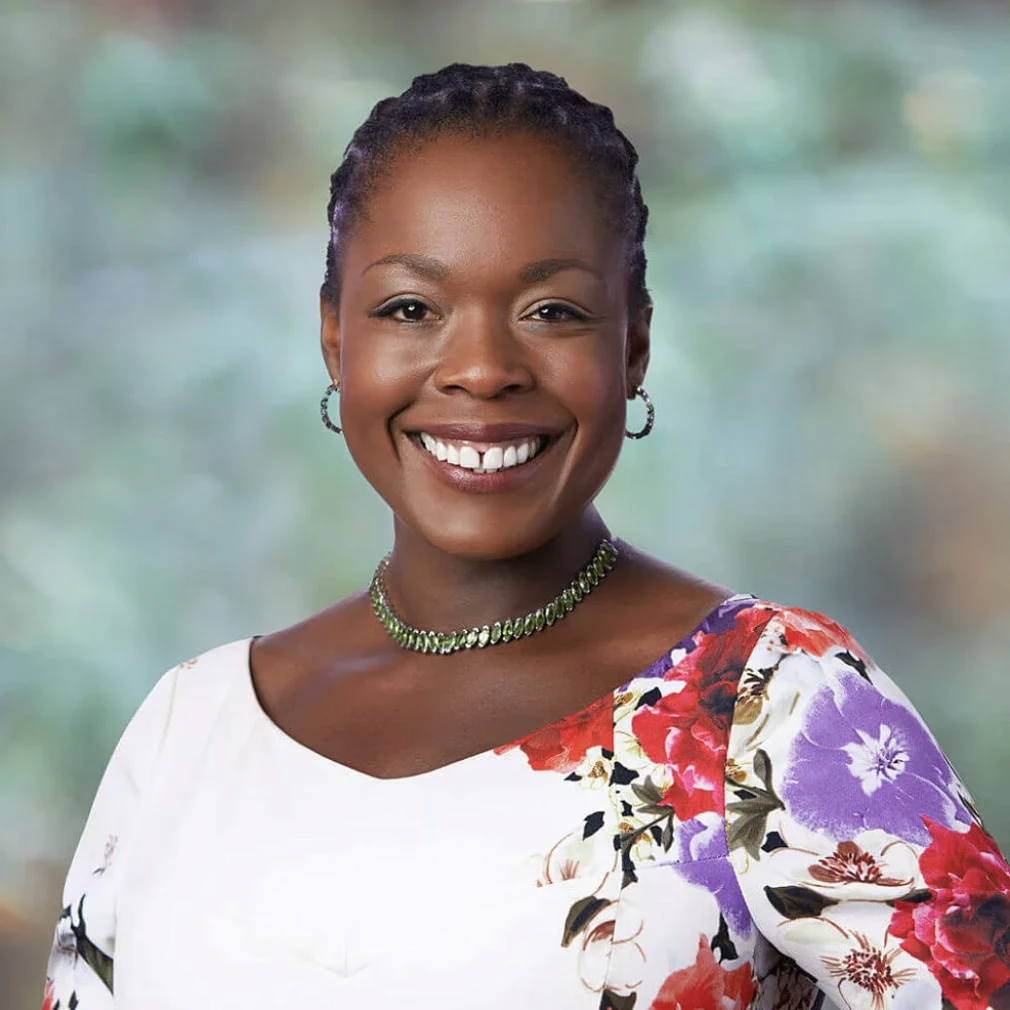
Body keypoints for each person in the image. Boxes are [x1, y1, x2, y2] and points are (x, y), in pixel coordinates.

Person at [41, 62, 1009, 1010]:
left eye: (550, 311)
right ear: (336, 340)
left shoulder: (769, 706)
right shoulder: (187, 732)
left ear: (631, 344)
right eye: (411, 308)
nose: (480, 369)